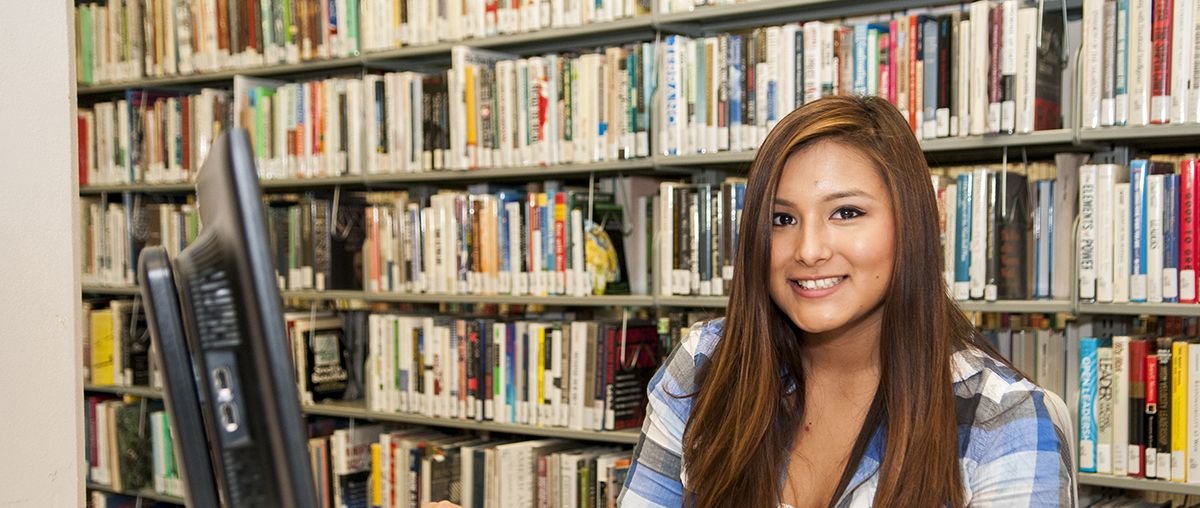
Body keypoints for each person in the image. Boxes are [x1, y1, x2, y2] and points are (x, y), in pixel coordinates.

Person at [617, 95, 1076, 507]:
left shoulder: (1003, 421)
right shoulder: (705, 366)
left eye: (846, 212)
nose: (809, 250)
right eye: (782, 218)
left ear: (910, 225)